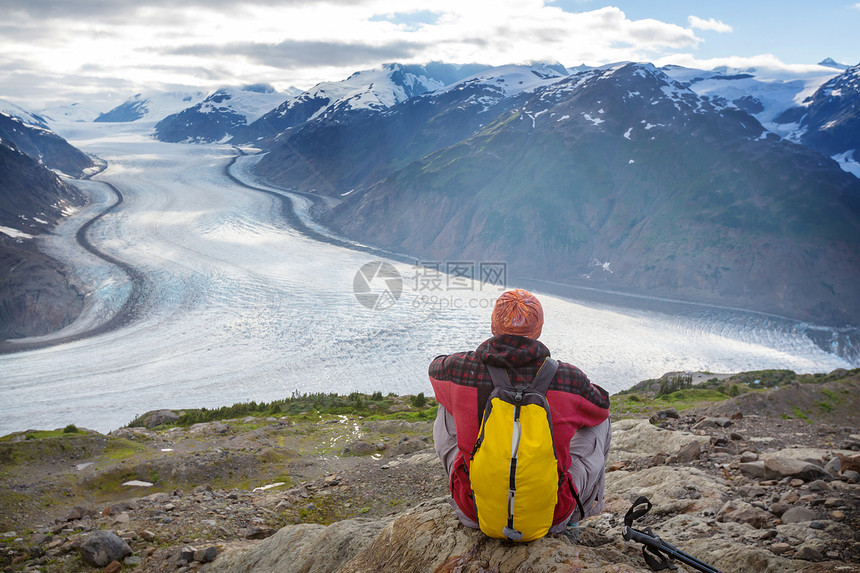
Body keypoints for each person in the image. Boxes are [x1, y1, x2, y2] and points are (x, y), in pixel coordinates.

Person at [429, 288, 611, 535]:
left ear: (493, 326)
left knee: (446, 402)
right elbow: (601, 407)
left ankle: (471, 485)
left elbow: (434, 368)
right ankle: (580, 510)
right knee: (601, 421)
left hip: (475, 511)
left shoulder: (460, 368)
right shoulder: (567, 378)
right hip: (550, 516)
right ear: (538, 330)